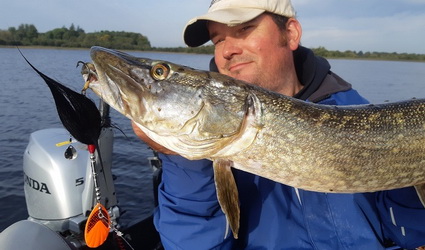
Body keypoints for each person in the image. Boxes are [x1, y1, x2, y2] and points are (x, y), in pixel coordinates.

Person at [133, 0, 425, 249]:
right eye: (218, 39)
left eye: (243, 30)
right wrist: (184, 157)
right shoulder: (204, 144)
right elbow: (191, 243)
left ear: (291, 33)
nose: (226, 51)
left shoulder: (356, 112)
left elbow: (408, 232)